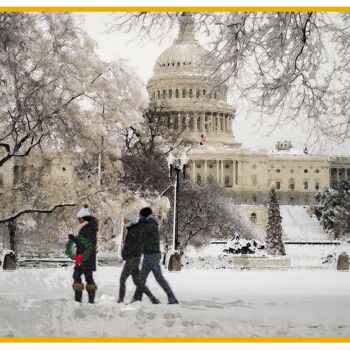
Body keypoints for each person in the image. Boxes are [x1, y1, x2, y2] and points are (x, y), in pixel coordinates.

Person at [131, 207, 178, 304]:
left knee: (158, 278)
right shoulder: (148, 223)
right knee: (142, 278)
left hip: (152, 255)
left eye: (141, 216)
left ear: (145, 215)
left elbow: (142, 232)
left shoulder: (151, 223)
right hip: (149, 254)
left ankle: (172, 298)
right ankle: (137, 298)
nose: (139, 217)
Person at [118, 209, 160, 304]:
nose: (124, 221)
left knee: (122, 279)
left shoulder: (135, 230)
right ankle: (153, 298)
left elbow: (134, 246)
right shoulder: (132, 229)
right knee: (138, 282)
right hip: (134, 258)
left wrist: (127, 255)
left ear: (130, 220)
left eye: (125, 220)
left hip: (132, 258)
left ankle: (120, 300)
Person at [65, 204, 98, 303]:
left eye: (79, 218)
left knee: (76, 276)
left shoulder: (86, 229)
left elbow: (84, 244)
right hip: (89, 257)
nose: (78, 220)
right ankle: (91, 300)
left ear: (84, 218)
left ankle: (78, 299)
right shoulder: (91, 227)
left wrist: (73, 239)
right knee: (89, 277)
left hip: (84, 257)